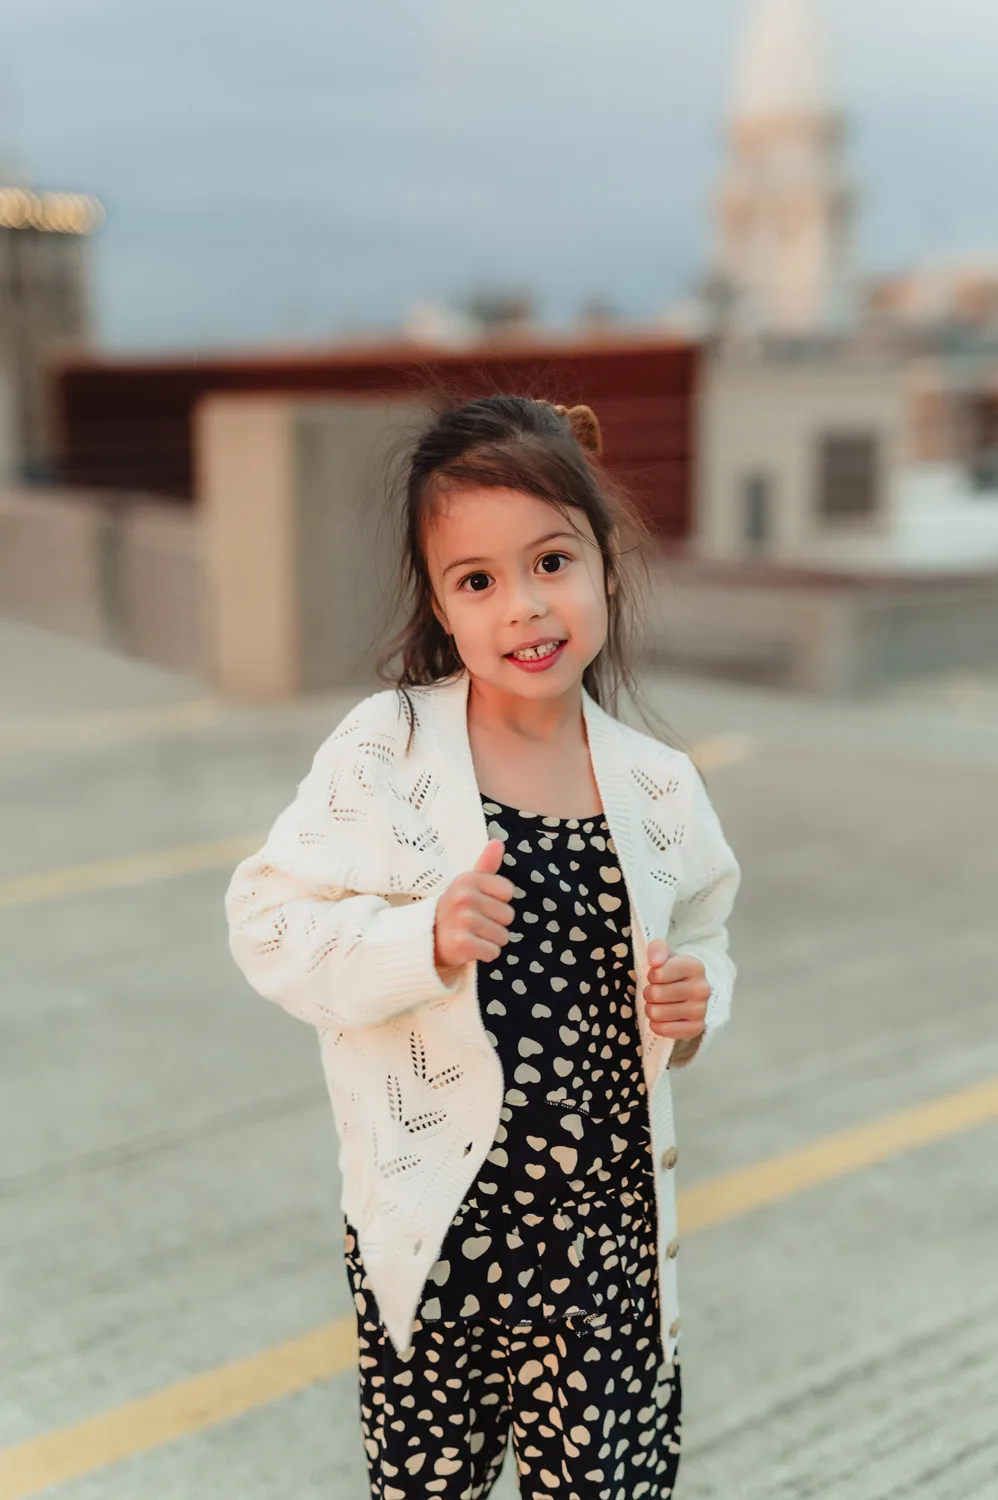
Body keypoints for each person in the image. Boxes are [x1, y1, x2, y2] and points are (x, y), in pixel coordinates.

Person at [225, 395, 741, 1499]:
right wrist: (422, 939)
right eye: (477, 581)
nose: (523, 607)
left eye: (550, 562)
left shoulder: (656, 782)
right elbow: (267, 921)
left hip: (601, 1244)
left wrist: (696, 1002)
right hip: (436, 1235)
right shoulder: (388, 748)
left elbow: (702, 925)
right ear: (441, 609)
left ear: (605, 563)